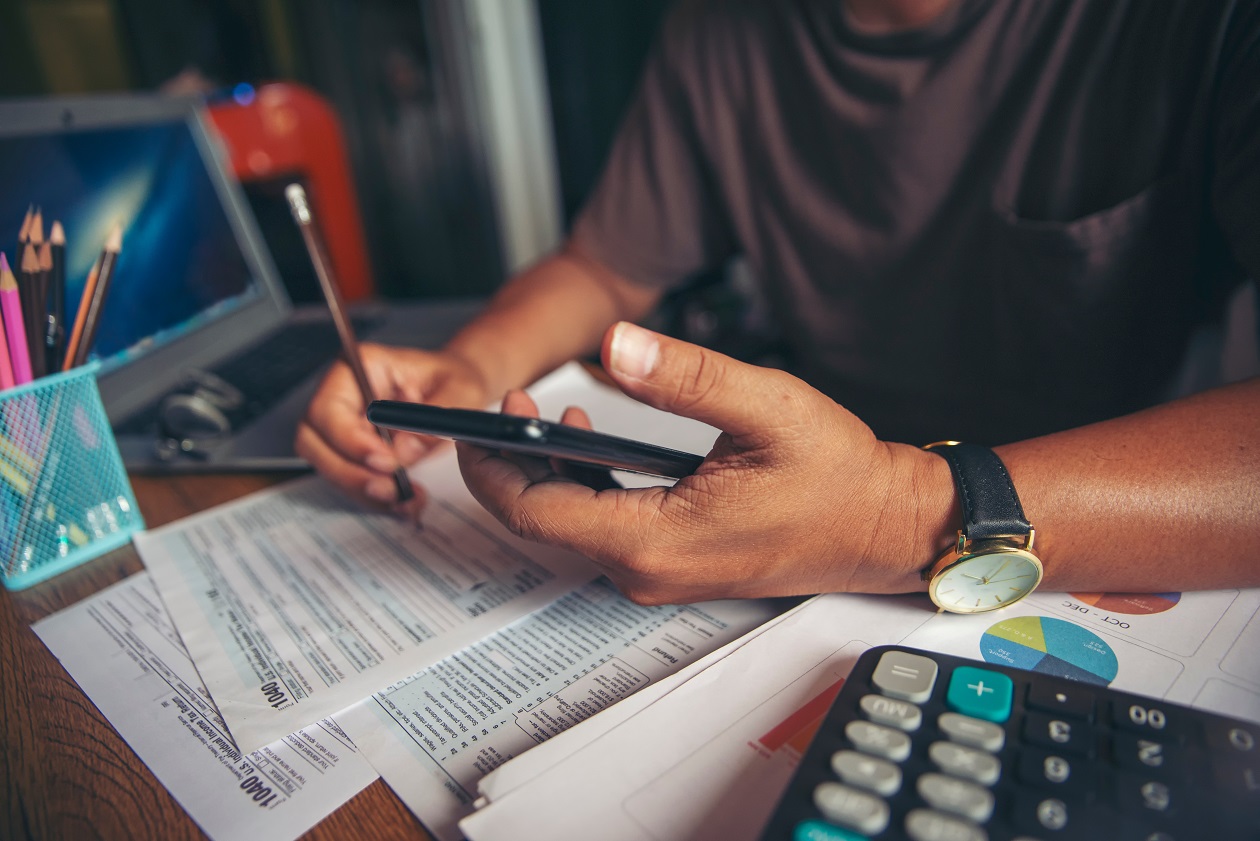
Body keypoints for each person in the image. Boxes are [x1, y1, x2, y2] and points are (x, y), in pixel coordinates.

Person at [299, 0, 1260, 606]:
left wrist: (891, 515)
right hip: (785, 527)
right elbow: (605, 263)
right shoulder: (719, 28)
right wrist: (470, 368)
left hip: (1098, 551)